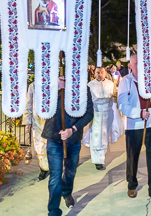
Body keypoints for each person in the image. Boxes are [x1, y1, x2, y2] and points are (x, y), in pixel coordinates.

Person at [41, 76, 94, 216]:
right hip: (54, 138)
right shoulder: (52, 85)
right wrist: (54, 89)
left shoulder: (83, 88)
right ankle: (53, 211)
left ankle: (67, 192)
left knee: (70, 172)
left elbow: (89, 113)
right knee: (55, 177)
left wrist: (74, 129)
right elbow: (42, 107)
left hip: (73, 139)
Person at [117, 54, 151, 203]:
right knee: (133, 156)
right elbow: (122, 104)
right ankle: (132, 185)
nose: (141, 66)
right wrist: (138, 113)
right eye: (136, 63)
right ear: (130, 66)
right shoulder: (126, 82)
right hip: (134, 126)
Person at [84, 67, 115, 170]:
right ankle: (98, 160)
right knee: (96, 136)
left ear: (105, 72)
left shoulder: (110, 84)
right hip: (96, 113)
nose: (100, 74)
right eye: (97, 72)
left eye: (102, 72)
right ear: (94, 73)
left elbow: (113, 97)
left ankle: (102, 156)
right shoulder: (90, 85)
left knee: (105, 136)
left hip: (107, 112)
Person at [23, 82, 49, 180]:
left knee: (52, 145)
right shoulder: (33, 86)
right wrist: (27, 121)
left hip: (52, 121)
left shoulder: (54, 83)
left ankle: (54, 167)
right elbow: (28, 103)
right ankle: (43, 168)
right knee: (40, 146)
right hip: (37, 121)